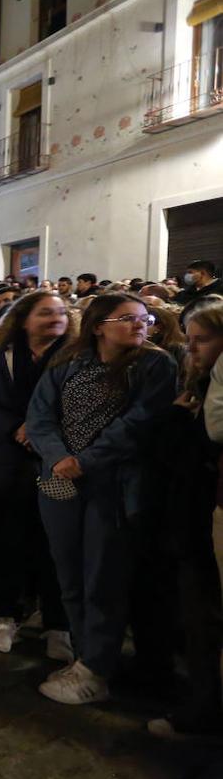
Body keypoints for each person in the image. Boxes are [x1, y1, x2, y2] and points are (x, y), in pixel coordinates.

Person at [25, 294, 178, 704]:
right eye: (127, 318)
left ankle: (98, 666)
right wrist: (58, 457)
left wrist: (86, 461)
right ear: (98, 326)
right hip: (59, 480)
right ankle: (83, 655)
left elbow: (138, 423)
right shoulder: (68, 363)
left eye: (144, 318)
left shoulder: (155, 364)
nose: (139, 325)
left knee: (102, 579)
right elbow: (39, 415)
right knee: (70, 575)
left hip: (111, 487)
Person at [0, 293, 72, 657]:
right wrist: (15, 427)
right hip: (7, 462)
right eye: (46, 312)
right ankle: (4, 615)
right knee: (7, 542)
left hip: (56, 462)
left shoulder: (74, 358)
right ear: (24, 319)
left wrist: (40, 430)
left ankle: (57, 624)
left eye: (61, 312)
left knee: (55, 547)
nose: (55, 318)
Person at [146, 302, 223, 737]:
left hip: (202, 517)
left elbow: (192, 452)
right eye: (189, 340)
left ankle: (202, 707)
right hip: (188, 517)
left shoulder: (214, 397)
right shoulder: (200, 386)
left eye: (203, 340)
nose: (192, 349)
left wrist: (177, 420)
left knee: (203, 617)